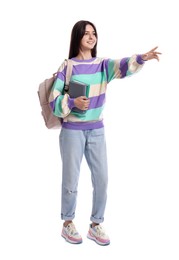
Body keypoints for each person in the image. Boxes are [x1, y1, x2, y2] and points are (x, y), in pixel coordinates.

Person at [49, 20, 161, 246]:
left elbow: (123, 65)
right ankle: (67, 223)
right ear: (77, 37)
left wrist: (141, 58)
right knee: (70, 181)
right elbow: (53, 100)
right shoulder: (67, 66)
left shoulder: (102, 65)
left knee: (102, 180)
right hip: (72, 132)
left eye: (94, 33)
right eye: (86, 33)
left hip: (97, 130)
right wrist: (71, 102)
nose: (91, 37)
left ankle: (95, 224)